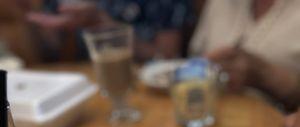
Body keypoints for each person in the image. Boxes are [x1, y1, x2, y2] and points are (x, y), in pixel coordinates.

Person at [189, 0, 300, 110]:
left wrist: (266, 75)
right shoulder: (221, 3)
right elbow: (193, 63)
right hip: (210, 118)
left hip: (276, 123)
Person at [26, 0, 195, 61]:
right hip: (81, 93)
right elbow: (51, 47)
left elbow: (167, 58)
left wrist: (106, 26)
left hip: (144, 92)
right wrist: (26, 15)